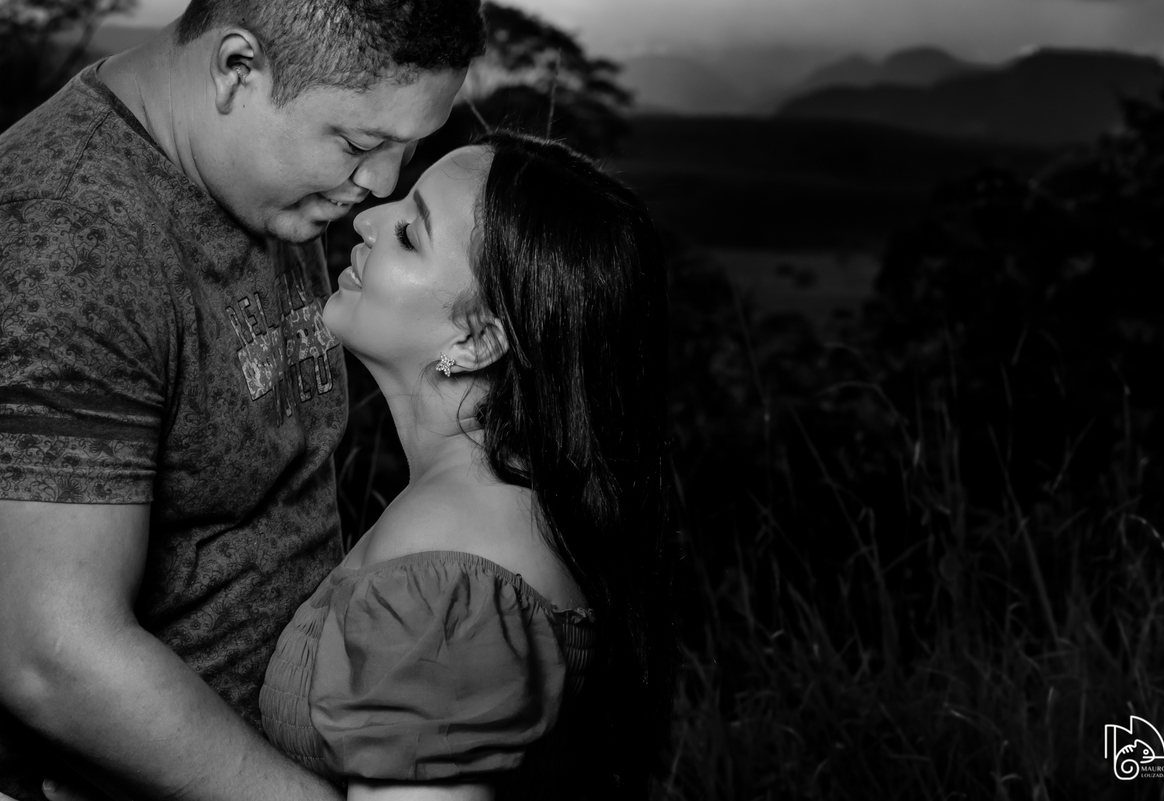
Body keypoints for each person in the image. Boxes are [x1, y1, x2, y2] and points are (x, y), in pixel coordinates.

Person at [0, 1, 484, 800]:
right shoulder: (65, 235)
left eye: (408, 148)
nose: (381, 186)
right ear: (237, 69)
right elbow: (50, 657)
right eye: (362, 144)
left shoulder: (264, 179)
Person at [255, 132, 677, 800]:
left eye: (409, 235)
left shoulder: (447, 571)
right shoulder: (527, 507)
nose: (366, 219)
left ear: (478, 340)